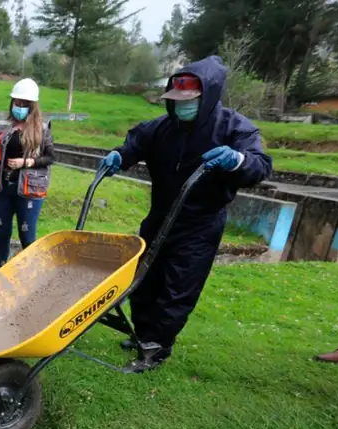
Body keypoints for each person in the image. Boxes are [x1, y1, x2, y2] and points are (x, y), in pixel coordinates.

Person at [97, 56, 272, 373]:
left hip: (199, 225)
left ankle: (157, 347)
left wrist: (236, 160)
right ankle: (143, 333)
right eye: (175, 101)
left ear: (208, 97)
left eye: (188, 101)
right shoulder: (162, 128)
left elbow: (260, 165)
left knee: (177, 288)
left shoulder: (234, 129)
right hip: (160, 217)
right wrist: (118, 155)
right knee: (143, 278)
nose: (181, 106)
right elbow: (135, 143)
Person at [0, 78, 55, 268]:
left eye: (24, 104)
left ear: (32, 106)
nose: (19, 107)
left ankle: (30, 274)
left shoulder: (42, 129)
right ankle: (0, 270)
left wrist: (26, 162)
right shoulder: (3, 126)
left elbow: (50, 157)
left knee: (27, 235)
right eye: (16, 103)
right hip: (2, 188)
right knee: (2, 233)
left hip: (29, 189)